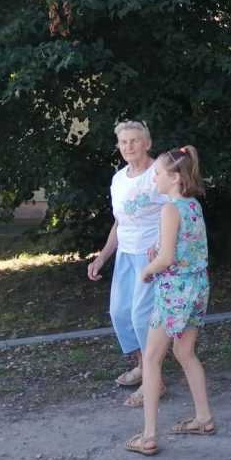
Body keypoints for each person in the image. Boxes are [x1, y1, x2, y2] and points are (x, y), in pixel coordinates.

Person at [126, 146, 214, 455]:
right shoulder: (193, 206)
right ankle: (203, 418)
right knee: (184, 351)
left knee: (151, 359)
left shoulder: (169, 209)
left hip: (174, 291)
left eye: (158, 174)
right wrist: (160, 252)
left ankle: (148, 436)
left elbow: (166, 258)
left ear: (175, 177)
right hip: (197, 287)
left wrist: (147, 270)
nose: (155, 179)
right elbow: (184, 246)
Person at [88, 120, 167, 406]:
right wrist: (102, 257)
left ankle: (155, 381)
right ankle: (143, 366)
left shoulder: (159, 172)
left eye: (134, 140)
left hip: (151, 257)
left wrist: (163, 245)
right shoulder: (119, 179)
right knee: (120, 314)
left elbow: (175, 210)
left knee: (141, 318)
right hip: (125, 254)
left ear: (147, 143)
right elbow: (119, 222)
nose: (129, 146)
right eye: (123, 142)